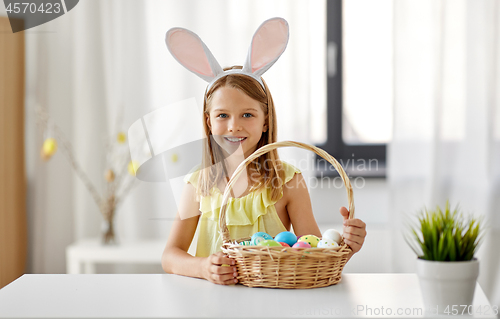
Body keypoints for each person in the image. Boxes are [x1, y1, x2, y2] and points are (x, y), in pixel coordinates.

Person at [161, 18, 366, 286]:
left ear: (265, 120)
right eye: (223, 115)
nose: (234, 126)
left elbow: (315, 255)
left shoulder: (289, 182)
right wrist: (203, 268)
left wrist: (348, 246)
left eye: (247, 114)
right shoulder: (200, 182)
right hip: (212, 305)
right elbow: (169, 256)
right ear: (209, 122)